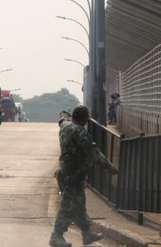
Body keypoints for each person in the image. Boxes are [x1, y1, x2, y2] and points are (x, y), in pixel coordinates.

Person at [49, 105, 118, 247]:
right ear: (85, 119)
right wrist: (110, 167)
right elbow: (94, 153)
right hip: (72, 175)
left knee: (79, 207)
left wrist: (65, 114)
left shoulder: (66, 126)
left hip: (68, 173)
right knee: (67, 207)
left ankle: (87, 234)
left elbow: (63, 118)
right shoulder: (80, 133)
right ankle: (56, 236)